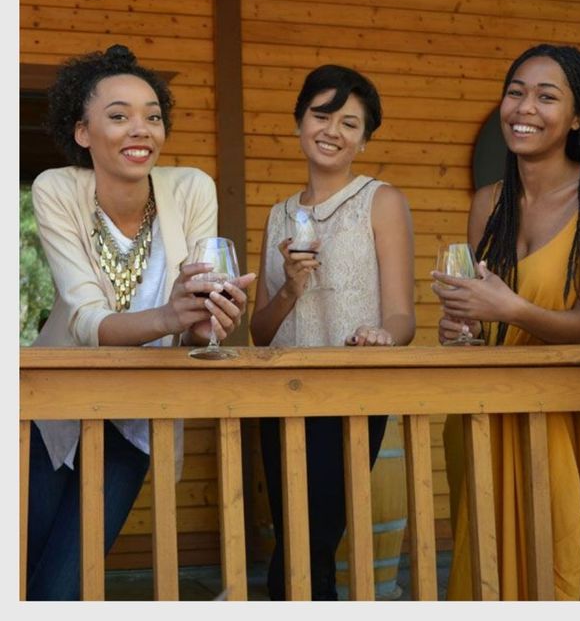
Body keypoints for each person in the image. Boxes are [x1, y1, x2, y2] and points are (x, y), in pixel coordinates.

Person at [27, 44, 255, 600]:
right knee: (21, 562)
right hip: (53, 405)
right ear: (83, 132)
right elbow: (85, 318)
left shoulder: (191, 188)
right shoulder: (56, 188)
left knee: (65, 582)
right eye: (119, 115)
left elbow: (194, 318)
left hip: (137, 412)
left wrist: (210, 317)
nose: (142, 129)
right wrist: (173, 312)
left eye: (153, 116)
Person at [432, 43, 580, 600]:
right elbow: (483, 318)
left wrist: (508, 309)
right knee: (481, 572)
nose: (524, 108)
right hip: (482, 413)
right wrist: (465, 330)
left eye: (546, 97)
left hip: (553, 416)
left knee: (555, 565)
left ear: (577, 116)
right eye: (516, 92)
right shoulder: (489, 202)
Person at [250, 64, 415, 600]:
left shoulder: (381, 200)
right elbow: (259, 331)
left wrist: (383, 334)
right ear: (299, 122)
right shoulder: (277, 216)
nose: (333, 130)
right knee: (294, 537)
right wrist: (291, 289)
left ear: (364, 140)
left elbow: (402, 317)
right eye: (322, 115)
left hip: (351, 393)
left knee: (315, 537)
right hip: (280, 396)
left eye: (350, 123)